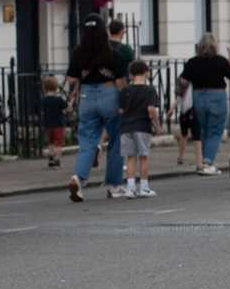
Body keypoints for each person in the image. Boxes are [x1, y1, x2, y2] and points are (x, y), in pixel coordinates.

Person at [65, 13, 128, 202]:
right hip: (109, 93)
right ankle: (114, 186)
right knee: (117, 139)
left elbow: (71, 79)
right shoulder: (113, 53)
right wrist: (124, 104)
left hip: (87, 96)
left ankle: (79, 177)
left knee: (87, 140)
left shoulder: (78, 52)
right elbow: (121, 82)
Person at [176, 32, 230, 175]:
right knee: (215, 131)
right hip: (217, 96)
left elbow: (183, 83)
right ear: (215, 46)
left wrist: (177, 101)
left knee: (202, 130)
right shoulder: (220, 61)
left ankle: (202, 161)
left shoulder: (192, 62)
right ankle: (207, 161)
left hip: (199, 97)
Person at [116, 60, 161, 199]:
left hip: (126, 127)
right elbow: (151, 109)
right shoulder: (150, 90)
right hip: (142, 127)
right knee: (143, 157)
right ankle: (144, 187)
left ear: (131, 74)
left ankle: (130, 188)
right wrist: (157, 124)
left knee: (130, 158)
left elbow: (120, 110)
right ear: (146, 72)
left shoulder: (125, 90)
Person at [40, 76, 67, 168]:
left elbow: (40, 110)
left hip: (48, 125)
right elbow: (66, 108)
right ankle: (57, 160)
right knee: (58, 144)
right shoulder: (59, 99)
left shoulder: (43, 100)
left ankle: (50, 159)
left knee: (50, 143)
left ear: (45, 87)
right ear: (55, 87)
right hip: (58, 124)